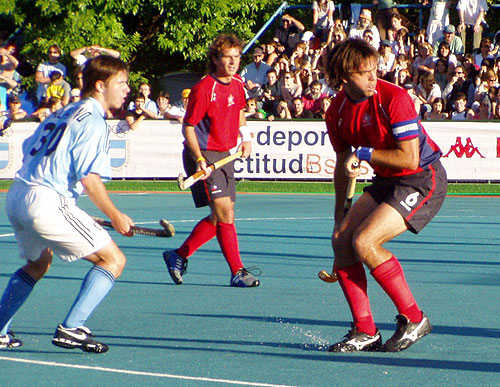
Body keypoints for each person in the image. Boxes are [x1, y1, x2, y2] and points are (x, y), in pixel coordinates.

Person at [0, 55, 134, 352]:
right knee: (113, 260)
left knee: (38, 264)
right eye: (122, 83)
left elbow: (31, 151)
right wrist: (115, 215)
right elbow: (89, 177)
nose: (127, 89)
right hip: (45, 201)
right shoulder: (94, 121)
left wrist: (68, 207)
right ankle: (72, 328)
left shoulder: (64, 112)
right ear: (100, 85)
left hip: (19, 194)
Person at [324, 38, 447, 353]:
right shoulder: (336, 110)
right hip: (388, 181)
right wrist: (340, 211)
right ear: (343, 77)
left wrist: (364, 153)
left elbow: (409, 159)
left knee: (365, 242)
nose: (372, 78)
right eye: (364, 73)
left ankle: (415, 318)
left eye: (374, 70)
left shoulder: (393, 97)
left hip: (422, 179)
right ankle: (365, 330)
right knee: (341, 239)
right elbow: (342, 162)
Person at [163, 34, 260, 288]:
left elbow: (239, 113)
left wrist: (246, 137)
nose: (233, 62)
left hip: (226, 155)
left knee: (220, 217)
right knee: (225, 212)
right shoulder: (205, 88)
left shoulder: (238, 83)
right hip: (204, 154)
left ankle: (178, 255)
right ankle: (237, 271)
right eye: (227, 57)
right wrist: (198, 159)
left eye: (237, 57)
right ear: (215, 58)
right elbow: (189, 127)